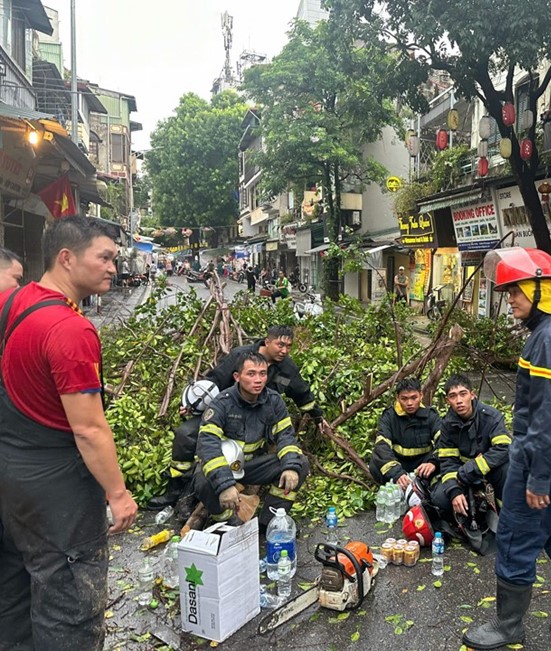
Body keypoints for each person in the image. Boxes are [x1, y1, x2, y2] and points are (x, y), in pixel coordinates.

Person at [0, 216, 138, 649]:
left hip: (10, 476)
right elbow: (89, 428)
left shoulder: (12, 302)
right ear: (66, 258)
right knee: (69, 604)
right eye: (105, 257)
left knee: (14, 590)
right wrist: (118, 494)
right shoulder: (70, 329)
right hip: (56, 489)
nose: (114, 267)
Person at [463, 248, 551, 651]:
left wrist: (538, 476)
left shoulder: (550, 339)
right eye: (508, 292)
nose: (510, 300)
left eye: (516, 291)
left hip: (540, 463)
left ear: (541, 288)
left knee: (514, 538)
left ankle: (509, 627)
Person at [147, 325, 323, 510]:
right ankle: (177, 491)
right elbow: (215, 380)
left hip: (259, 422)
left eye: (289, 346)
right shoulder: (240, 356)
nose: (284, 350)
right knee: (186, 435)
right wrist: (193, 405)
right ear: (267, 341)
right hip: (226, 414)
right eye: (280, 345)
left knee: (295, 461)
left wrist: (318, 416)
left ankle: (270, 518)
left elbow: (302, 394)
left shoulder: (287, 369)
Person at [193, 351, 309, 526]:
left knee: (301, 462)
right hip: (225, 466)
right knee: (202, 480)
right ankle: (228, 522)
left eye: (262, 374)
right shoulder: (221, 404)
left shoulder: (273, 401)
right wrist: (224, 484)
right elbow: (207, 445)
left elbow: (286, 436)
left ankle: (270, 522)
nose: (258, 380)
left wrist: (290, 466)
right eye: (251, 374)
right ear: (237, 377)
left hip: (251, 466)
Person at [431, 374, 511, 519]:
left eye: (463, 394)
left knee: (508, 472)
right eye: (453, 396)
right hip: (463, 477)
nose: (459, 401)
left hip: (489, 472)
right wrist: (454, 491)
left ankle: (506, 515)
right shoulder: (447, 424)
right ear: (448, 400)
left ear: (472, 395)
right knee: (440, 499)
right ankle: (471, 510)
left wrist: (472, 468)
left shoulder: (491, 417)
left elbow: (504, 448)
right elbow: (448, 461)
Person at [369, 377, 441, 489]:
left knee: (445, 462)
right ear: (397, 398)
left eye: (414, 398)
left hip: (423, 465)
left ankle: (429, 488)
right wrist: (396, 473)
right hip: (398, 462)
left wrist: (433, 462)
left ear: (421, 396)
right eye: (404, 399)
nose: (409, 403)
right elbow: (382, 446)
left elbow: (444, 440)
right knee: (375, 463)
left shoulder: (431, 415)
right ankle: (393, 488)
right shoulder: (389, 416)